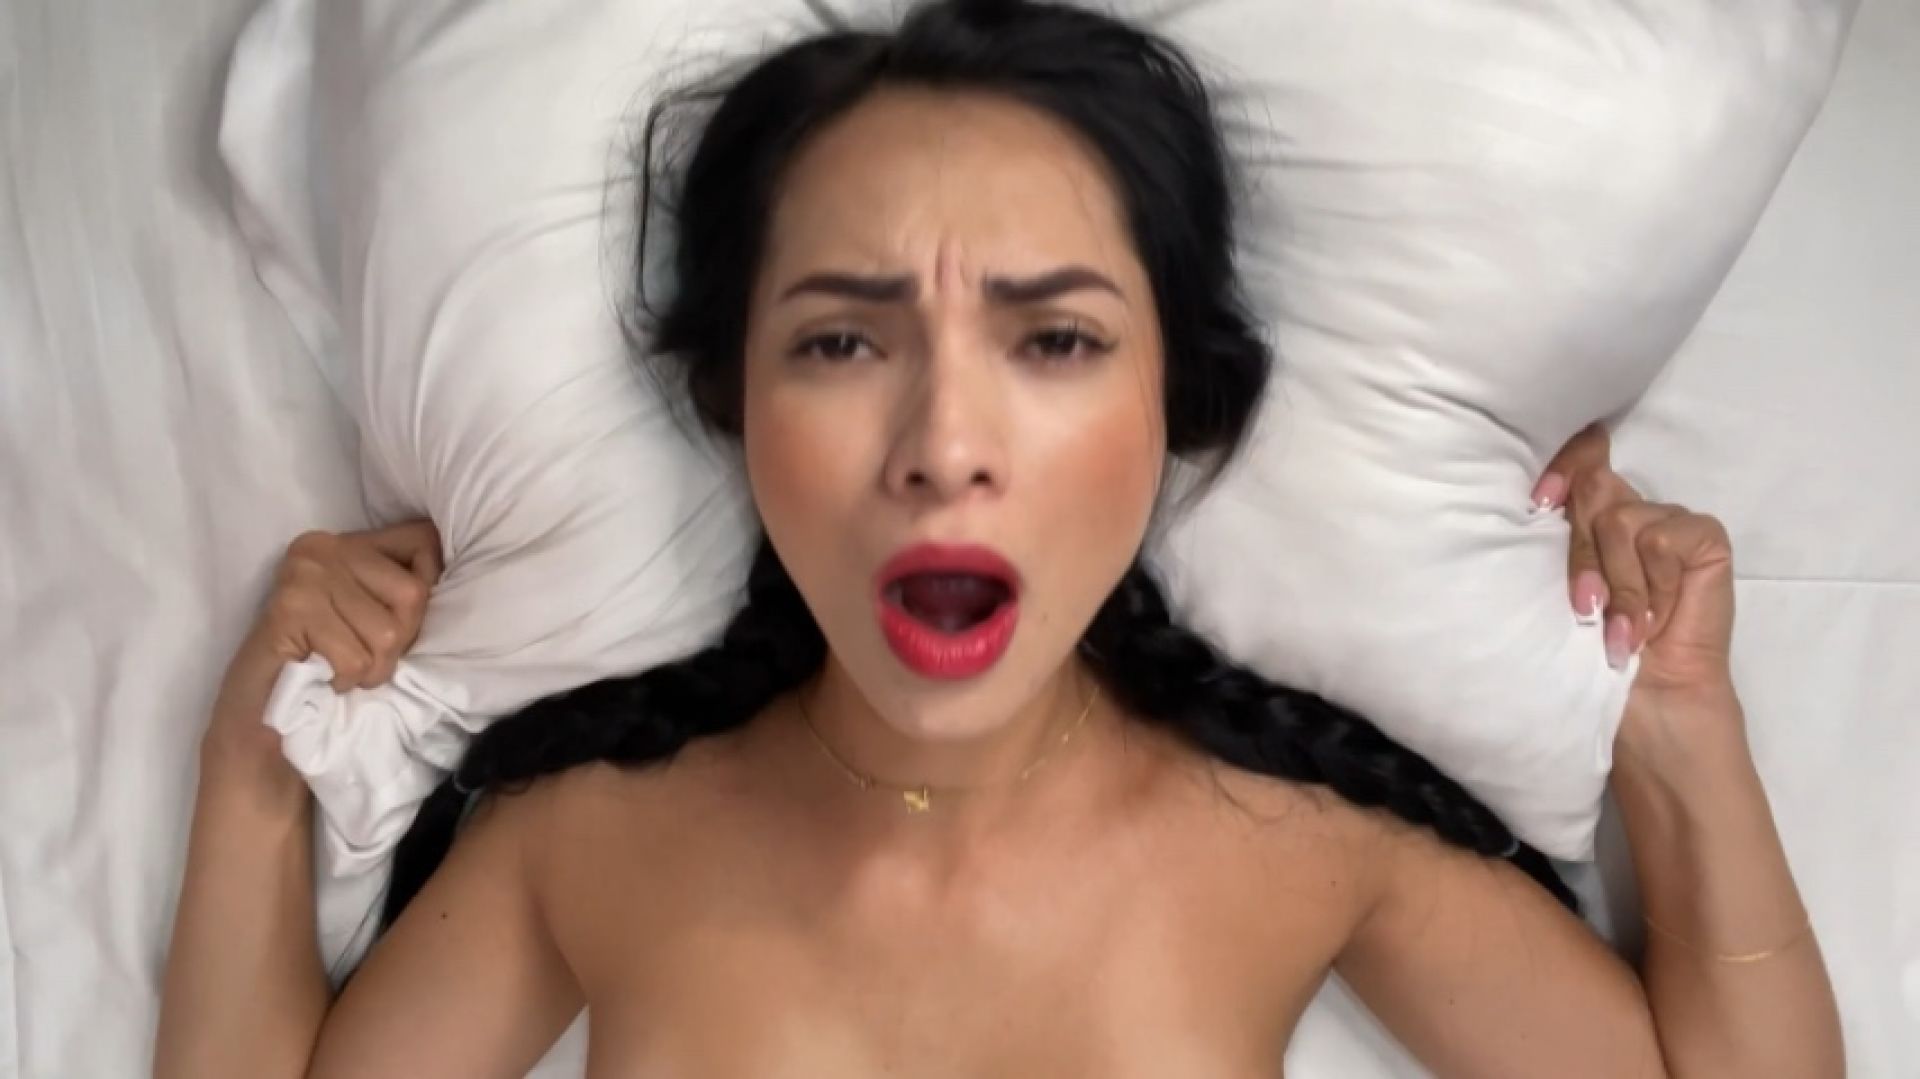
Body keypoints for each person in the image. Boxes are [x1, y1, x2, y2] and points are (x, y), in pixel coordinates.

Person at [156, 0, 1841, 1074]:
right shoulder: (585, 840)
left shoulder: (1298, 839)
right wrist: (254, 776)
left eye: (1055, 341)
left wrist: (1682, 732)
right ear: (732, 402)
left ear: (1180, 404)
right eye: (841, 340)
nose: (944, 446)